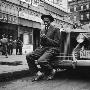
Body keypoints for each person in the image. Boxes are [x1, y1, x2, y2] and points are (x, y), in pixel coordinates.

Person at [26, 14, 61, 81]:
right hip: (44, 48)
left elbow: (57, 43)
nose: (45, 23)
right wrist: (42, 40)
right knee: (29, 56)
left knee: (41, 60)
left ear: (50, 21)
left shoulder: (56, 29)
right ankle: (38, 73)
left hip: (53, 49)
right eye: (44, 21)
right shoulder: (42, 30)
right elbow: (42, 43)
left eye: (47, 21)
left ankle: (52, 70)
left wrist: (47, 39)